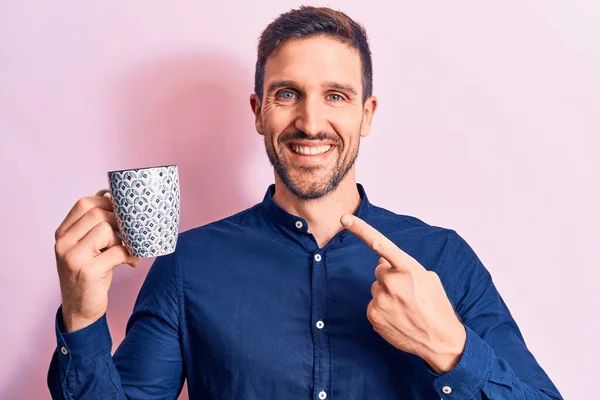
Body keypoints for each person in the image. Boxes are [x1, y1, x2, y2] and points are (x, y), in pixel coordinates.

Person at [48, 6, 563, 400]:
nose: (311, 123)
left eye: (335, 95)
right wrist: (82, 316)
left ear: (367, 114)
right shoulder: (188, 267)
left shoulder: (443, 259)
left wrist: (450, 348)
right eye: (287, 94)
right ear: (258, 111)